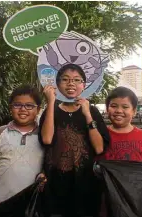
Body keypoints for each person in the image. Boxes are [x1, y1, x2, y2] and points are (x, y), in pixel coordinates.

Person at [39, 63, 109, 217]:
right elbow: (46, 139)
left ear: (84, 85)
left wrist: (88, 115)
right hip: (55, 186)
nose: (71, 83)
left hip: (86, 186)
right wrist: (51, 102)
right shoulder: (51, 110)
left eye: (77, 80)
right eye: (65, 79)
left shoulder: (92, 111)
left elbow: (99, 148)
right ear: (57, 84)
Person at [0, 85, 45, 215]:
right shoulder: (0, 133)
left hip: (29, 205)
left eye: (29, 106)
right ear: (10, 108)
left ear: (38, 110)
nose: (23, 109)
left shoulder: (44, 136)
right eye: (17, 105)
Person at [100, 86, 142, 162]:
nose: (119, 111)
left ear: (134, 111)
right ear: (107, 109)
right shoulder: (99, 136)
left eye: (125, 107)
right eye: (114, 106)